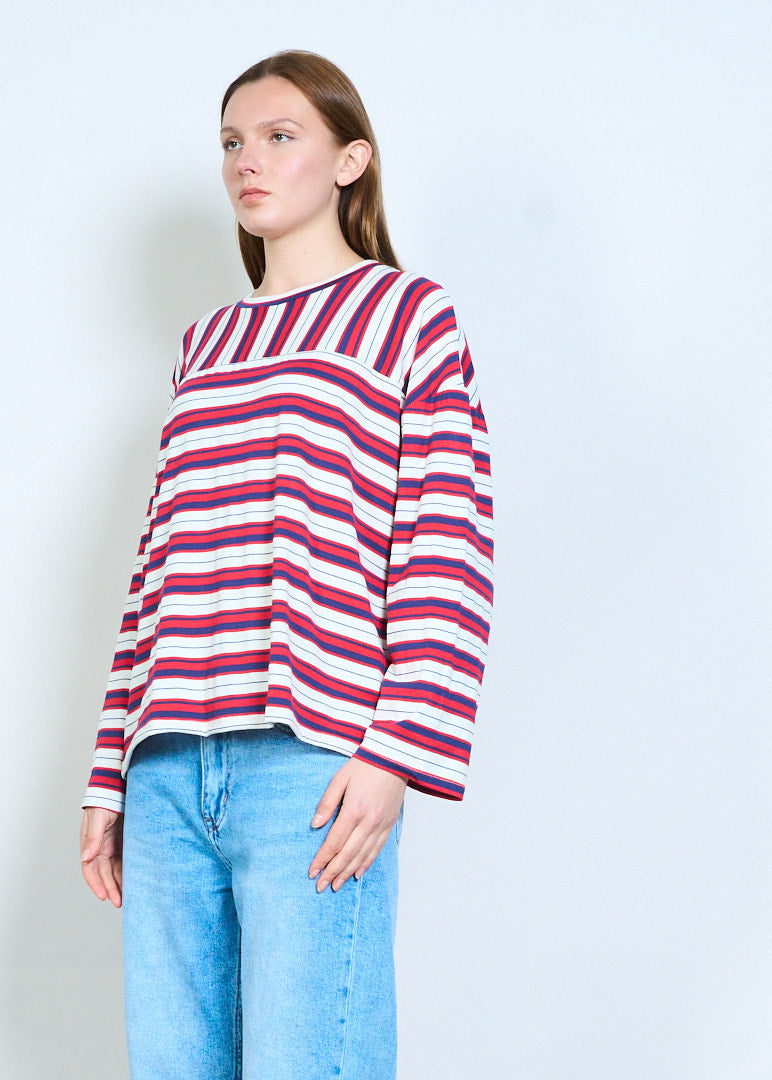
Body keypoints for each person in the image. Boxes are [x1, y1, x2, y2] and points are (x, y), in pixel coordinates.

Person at [79, 49, 493, 1080]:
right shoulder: (206, 345)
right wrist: (112, 769)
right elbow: (160, 569)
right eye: (231, 142)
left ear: (351, 160)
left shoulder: (409, 317)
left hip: (312, 761)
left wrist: (397, 750)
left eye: (278, 136)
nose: (246, 162)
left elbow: (448, 543)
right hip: (168, 769)